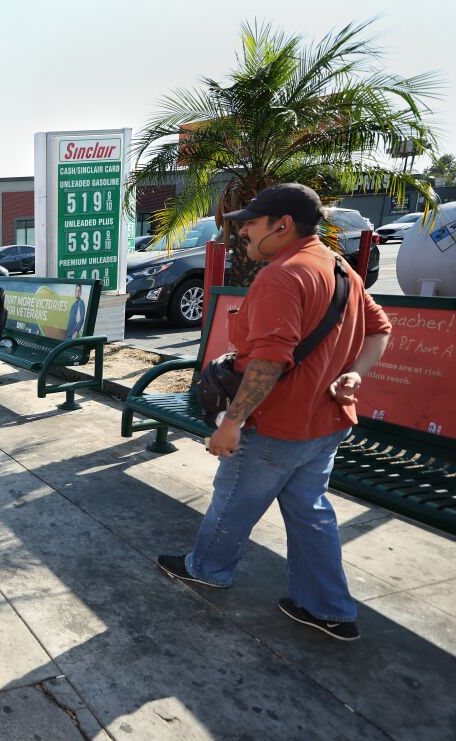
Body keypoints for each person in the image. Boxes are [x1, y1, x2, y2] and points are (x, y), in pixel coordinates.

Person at [157, 184, 392, 642]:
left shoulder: (283, 276)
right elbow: (379, 330)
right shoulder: (340, 267)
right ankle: (328, 609)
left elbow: (269, 360)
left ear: (282, 225)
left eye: (251, 222)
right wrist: (356, 375)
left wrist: (232, 421)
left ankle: (207, 569)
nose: (242, 230)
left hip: (275, 428)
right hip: (326, 425)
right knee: (312, 515)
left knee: (233, 502)